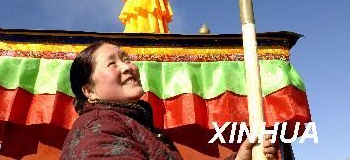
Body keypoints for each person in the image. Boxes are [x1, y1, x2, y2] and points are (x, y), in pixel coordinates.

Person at [61, 42, 278, 159]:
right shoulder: (100, 129)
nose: (128, 67)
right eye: (112, 64)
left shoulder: (134, 125)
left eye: (125, 58)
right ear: (89, 91)